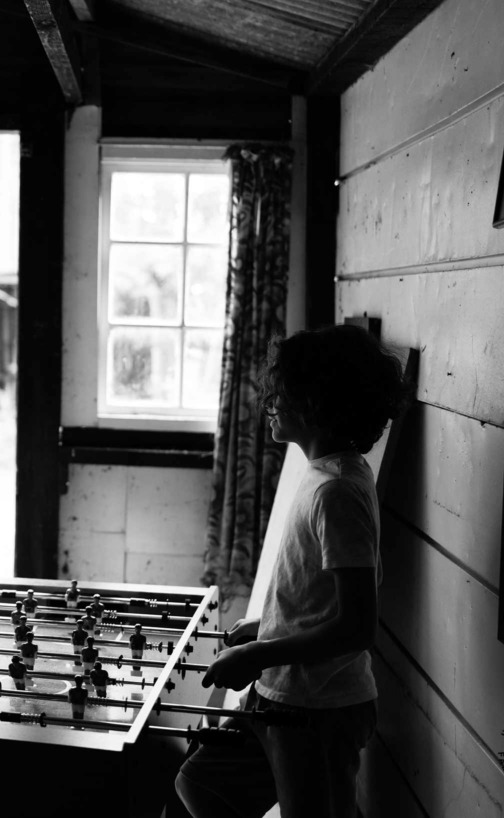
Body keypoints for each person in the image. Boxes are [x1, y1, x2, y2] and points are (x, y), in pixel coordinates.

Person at [175, 324, 408, 818]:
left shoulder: (337, 491)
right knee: (201, 783)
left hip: (317, 709)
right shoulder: (323, 473)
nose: (271, 402)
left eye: (282, 392)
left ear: (316, 401)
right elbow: (316, 596)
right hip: (280, 695)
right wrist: (265, 629)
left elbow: (356, 625)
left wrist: (260, 652)